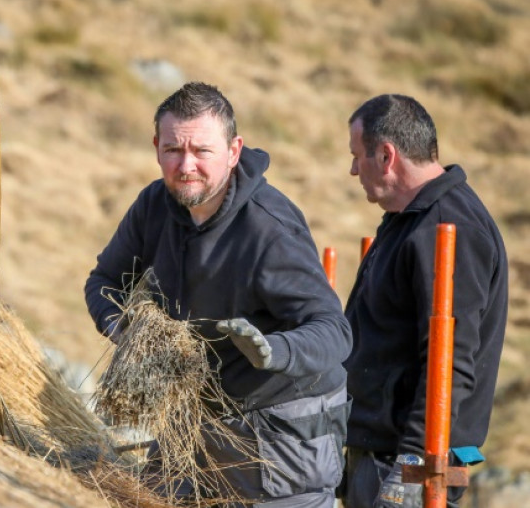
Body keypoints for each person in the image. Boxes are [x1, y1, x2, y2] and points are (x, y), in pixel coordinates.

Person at [84, 82, 352, 507]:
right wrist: (125, 330)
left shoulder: (268, 230)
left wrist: (273, 350)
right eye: (173, 150)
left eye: (202, 151)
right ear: (156, 147)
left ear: (234, 150)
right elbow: (103, 281)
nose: (186, 165)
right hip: (198, 417)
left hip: (283, 430)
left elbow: (335, 332)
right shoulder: (156, 204)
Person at [341, 94, 508, 508]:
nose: (351, 169)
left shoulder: (449, 227)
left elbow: (449, 364)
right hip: (379, 457)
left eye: (356, 156)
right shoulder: (410, 220)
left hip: (406, 467)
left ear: (386, 156)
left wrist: (409, 471)